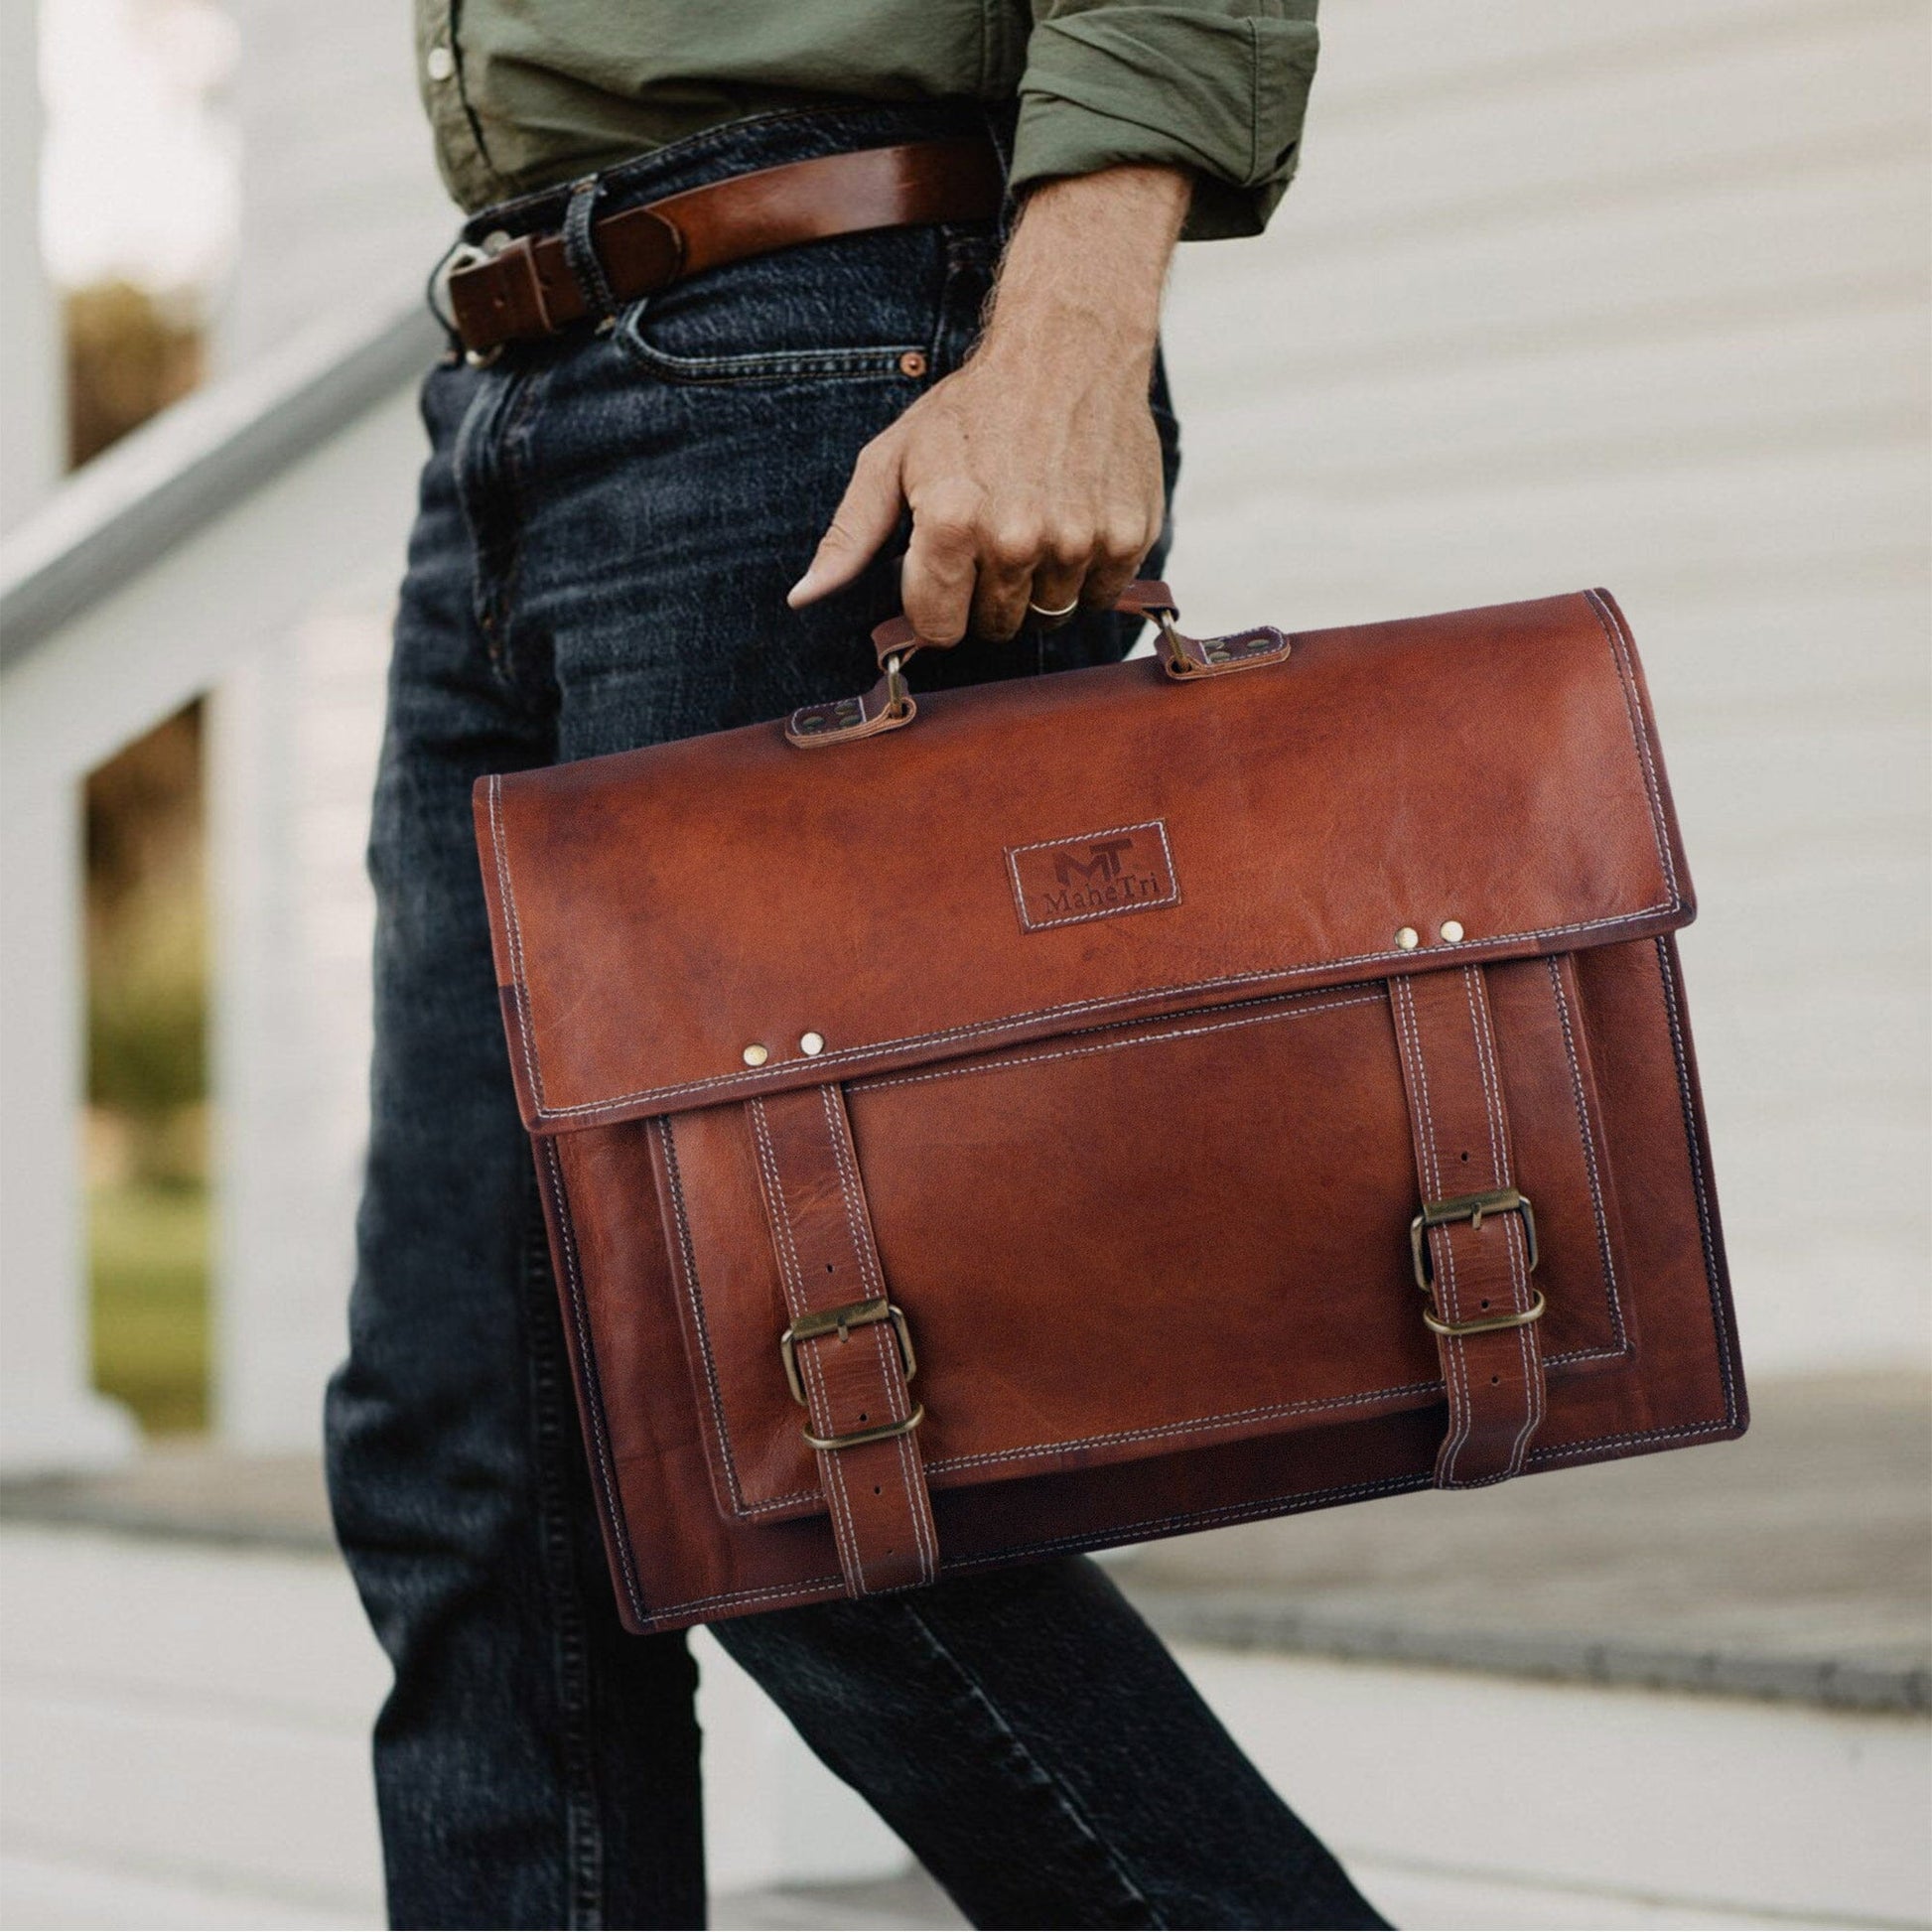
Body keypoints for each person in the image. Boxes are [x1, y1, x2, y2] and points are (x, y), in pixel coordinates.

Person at [326, 5, 1388, 1926]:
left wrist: (1075, 328)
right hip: (507, 391)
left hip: (813, 368)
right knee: (470, 1462)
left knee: (794, 1453)